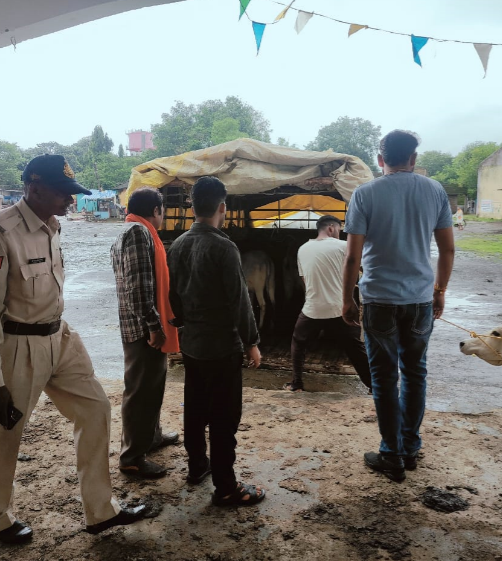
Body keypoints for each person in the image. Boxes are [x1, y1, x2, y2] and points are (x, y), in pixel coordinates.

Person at [0, 154, 145, 544]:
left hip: (60, 336)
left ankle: (101, 510)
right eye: (63, 192)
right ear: (34, 188)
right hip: (18, 345)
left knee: (95, 408)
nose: (70, 199)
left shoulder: (53, 225)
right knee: (6, 430)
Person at [342, 131, 455, 483]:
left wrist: (347, 299)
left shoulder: (364, 194)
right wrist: (440, 291)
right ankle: (410, 448)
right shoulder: (434, 190)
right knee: (415, 373)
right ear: (414, 158)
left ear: (380, 159)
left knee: (384, 378)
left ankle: (391, 453)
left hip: (379, 300)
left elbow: (352, 257)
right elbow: (448, 249)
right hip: (420, 300)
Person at [167, 176, 266, 507]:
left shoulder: (178, 245)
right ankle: (226, 486)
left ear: (192, 207)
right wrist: (252, 342)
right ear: (222, 207)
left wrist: (183, 325)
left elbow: (173, 296)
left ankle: (198, 466)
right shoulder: (224, 247)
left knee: (195, 409)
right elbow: (239, 301)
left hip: (192, 345)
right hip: (222, 347)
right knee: (224, 417)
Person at [111, 188, 180, 479]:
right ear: (155, 210)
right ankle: (131, 457)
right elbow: (138, 287)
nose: (162, 217)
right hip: (142, 329)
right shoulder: (139, 233)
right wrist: (153, 325)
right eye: (162, 212)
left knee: (151, 387)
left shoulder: (131, 230)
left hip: (141, 325)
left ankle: (151, 437)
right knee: (140, 392)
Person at [283, 215, 371, 393]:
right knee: (355, 349)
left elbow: (305, 282)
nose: (340, 233)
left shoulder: (302, 249)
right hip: (340, 308)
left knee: (298, 343)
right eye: (339, 229)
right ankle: (374, 386)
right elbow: (365, 269)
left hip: (313, 309)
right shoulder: (344, 246)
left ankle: (297, 384)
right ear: (331, 228)